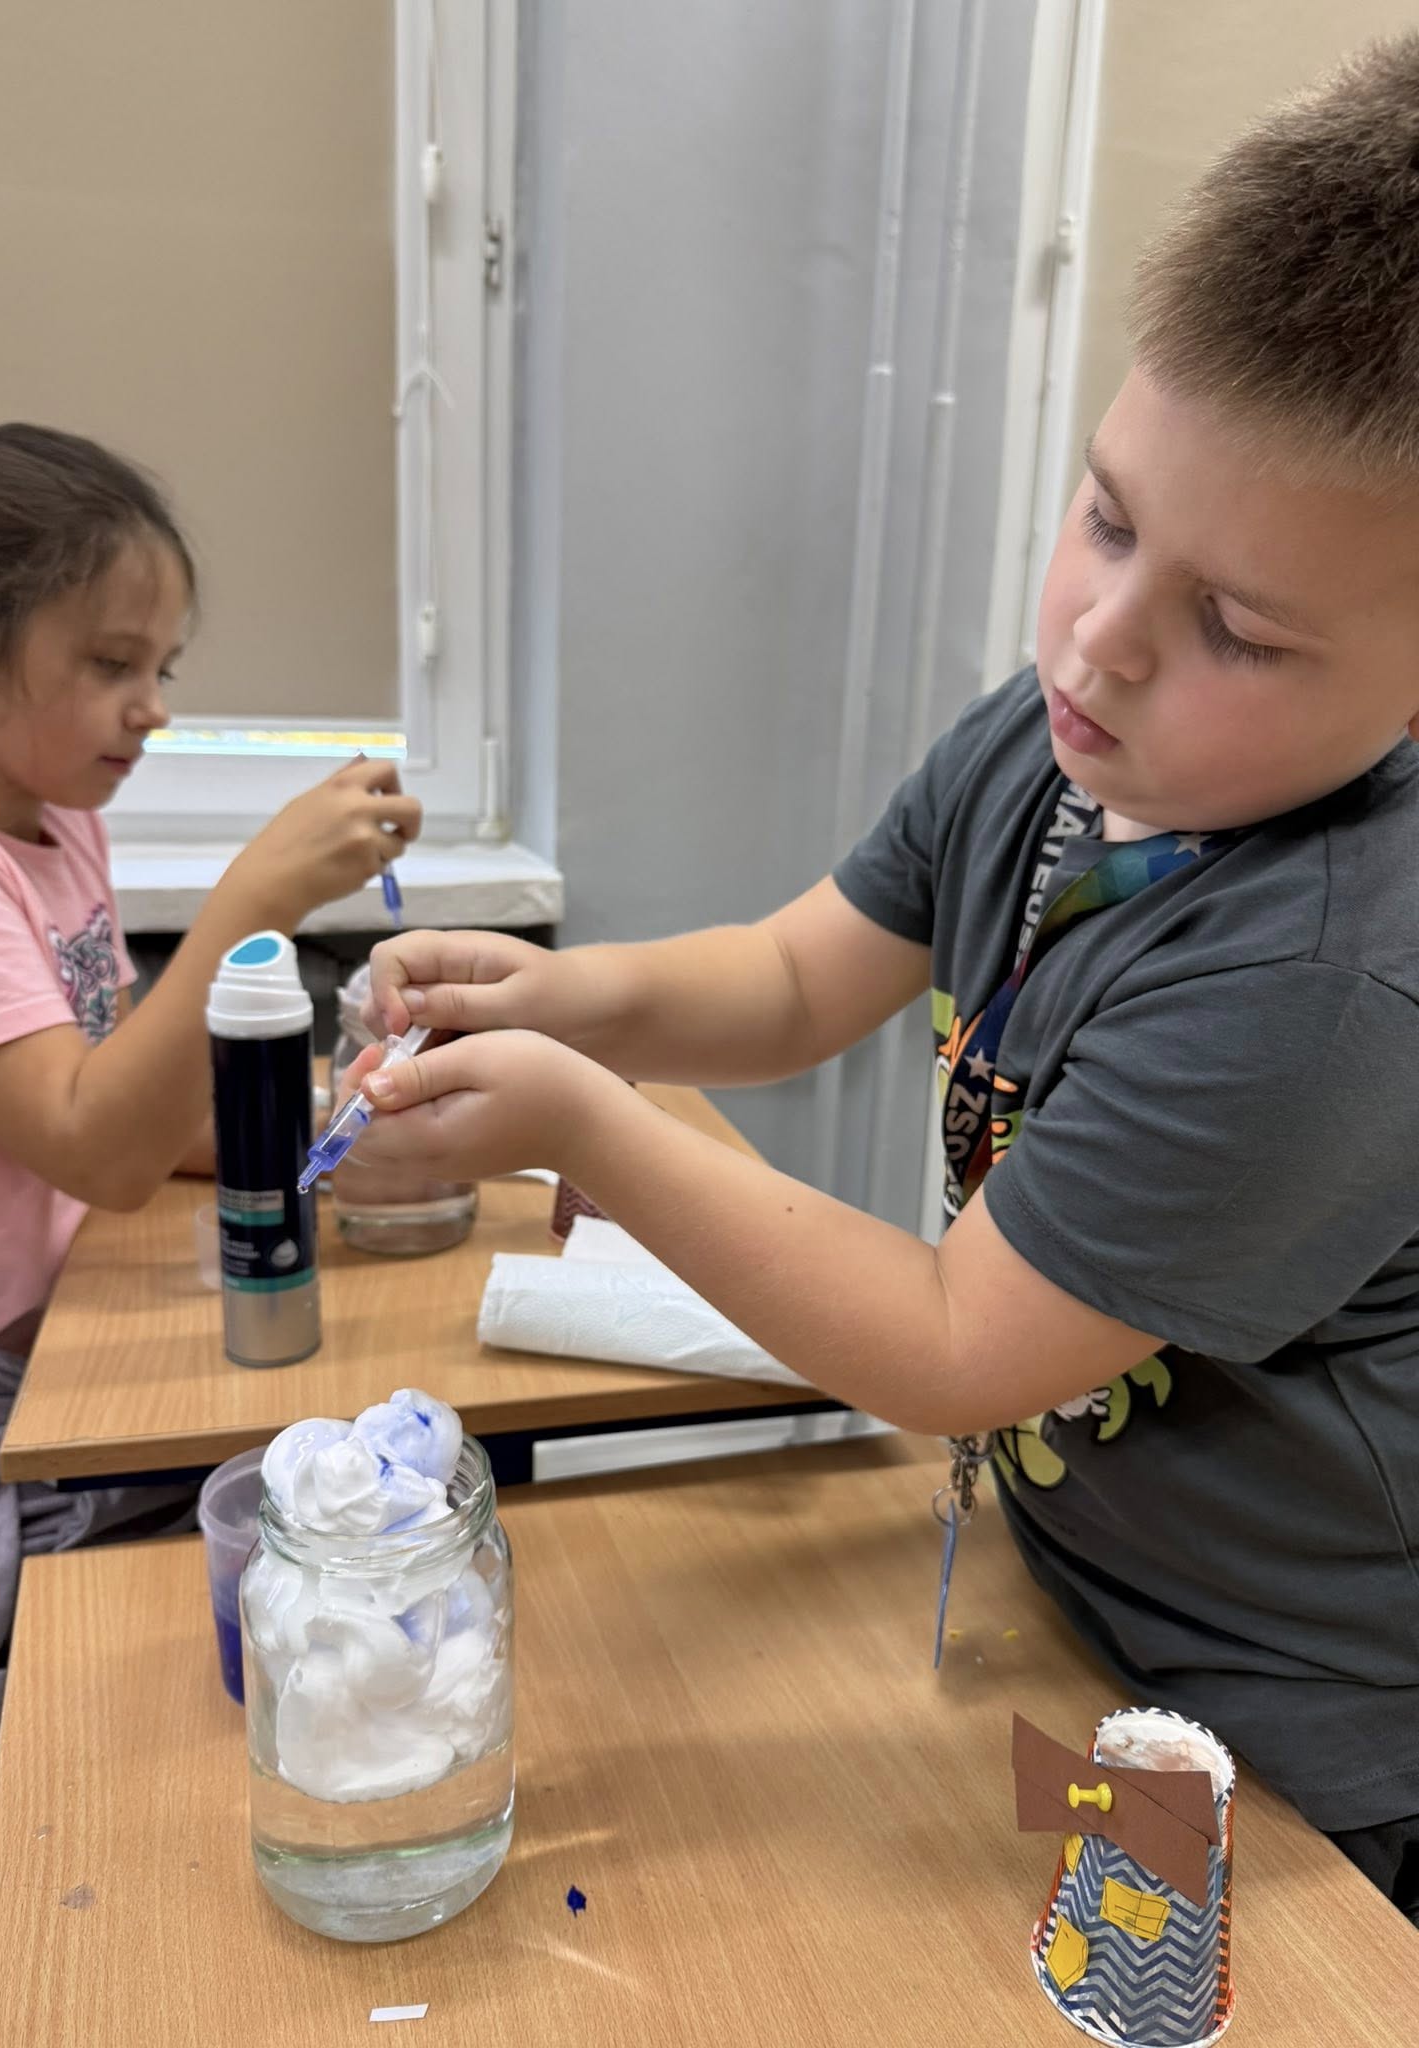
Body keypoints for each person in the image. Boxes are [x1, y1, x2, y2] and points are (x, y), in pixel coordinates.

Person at [351, 39, 1419, 1920]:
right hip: (1072, 1597)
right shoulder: (1067, 735)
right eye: (1108, 519)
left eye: (1236, 630)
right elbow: (790, 977)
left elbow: (950, 1344)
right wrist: (569, 1000)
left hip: (1289, 1742)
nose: (1101, 641)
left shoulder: (1328, 982)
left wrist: (584, 1122)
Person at [0, 423, 420, 1957]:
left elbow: (125, 1084)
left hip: (44, 1342)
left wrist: (322, 1131)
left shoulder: (61, 825)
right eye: (114, 663)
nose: (155, 706)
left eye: (163, 665)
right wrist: (256, 901)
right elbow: (96, 1144)